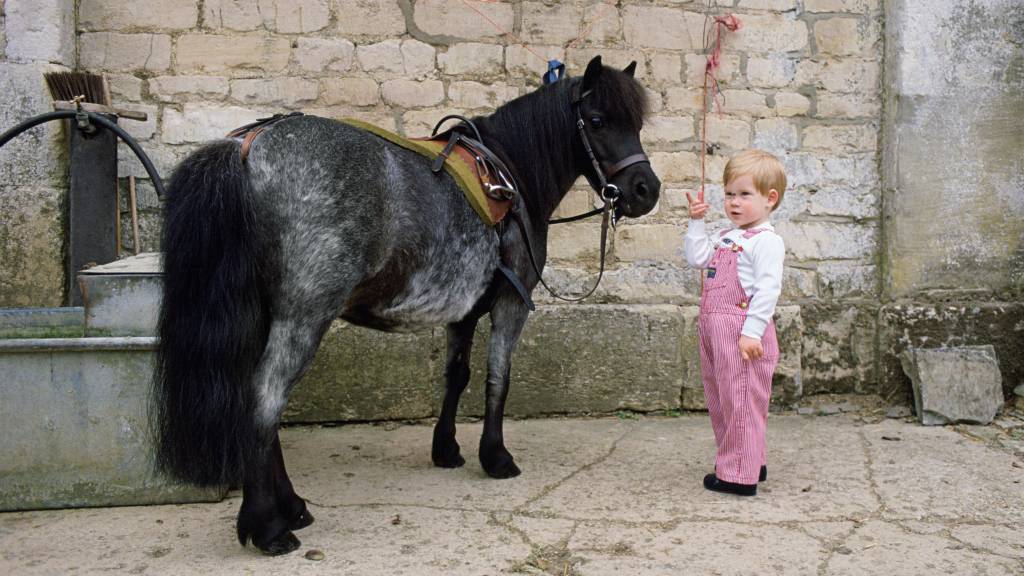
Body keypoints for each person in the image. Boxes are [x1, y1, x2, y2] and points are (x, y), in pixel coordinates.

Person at [684, 149, 786, 496]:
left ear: (770, 199)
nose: (734, 202)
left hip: (742, 333)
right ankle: (749, 460)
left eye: (744, 195)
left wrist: (751, 333)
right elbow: (697, 257)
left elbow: (768, 291)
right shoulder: (728, 237)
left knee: (741, 399)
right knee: (722, 398)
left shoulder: (766, 242)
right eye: (729, 194)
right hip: (714, 328)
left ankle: (738, 476)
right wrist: (697, 222)